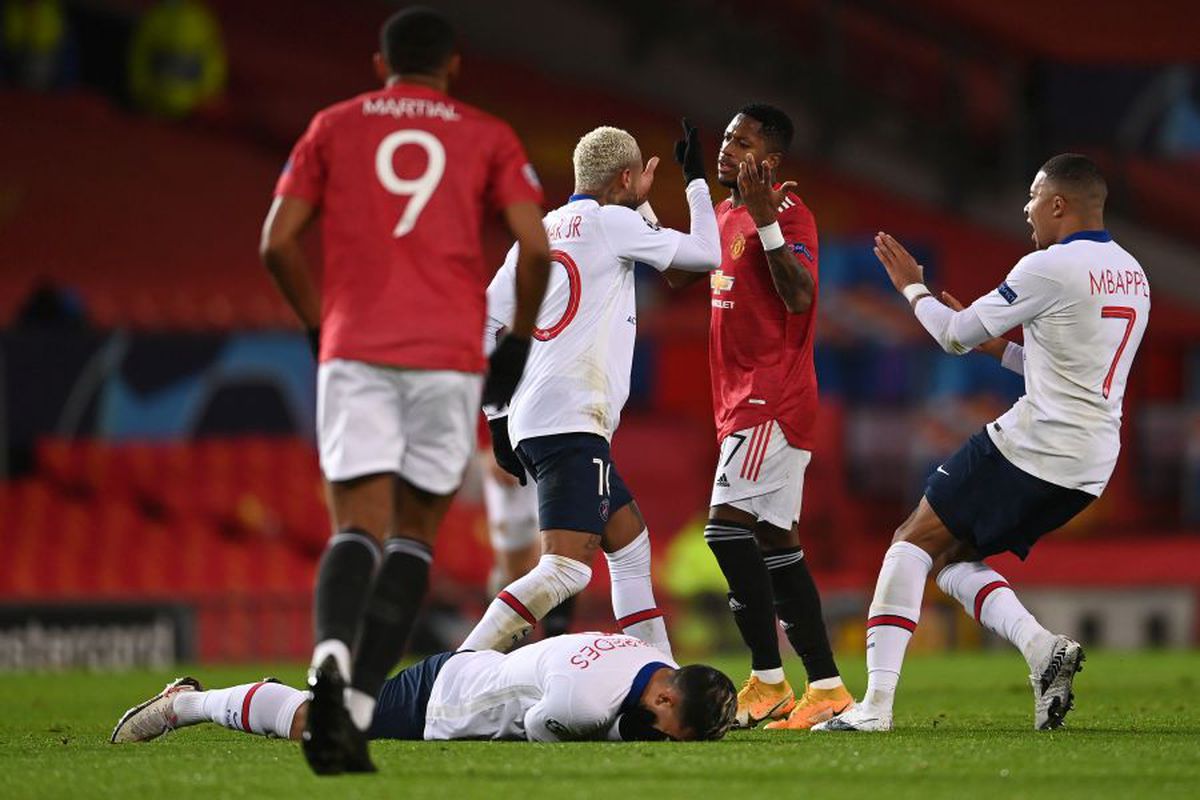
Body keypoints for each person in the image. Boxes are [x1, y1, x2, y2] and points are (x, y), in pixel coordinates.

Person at [258, 7, 550, 774]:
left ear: (380, 64)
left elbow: (277, 242)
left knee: (354, 527)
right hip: (448, 358)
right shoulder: (487, 133)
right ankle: (350, 715)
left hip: (355, 347)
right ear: (454, 65)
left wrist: (319, 328)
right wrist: (514, 347)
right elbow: (534, 245)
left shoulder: (331, 126)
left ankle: (328, 665)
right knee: (413, 537)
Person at [814, 153, 1150, 733]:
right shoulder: (1134, 274)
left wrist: (911, 289)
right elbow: (1064, 371)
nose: (1025, 209)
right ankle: (1043, 652)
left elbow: (951, 337)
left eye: (1033, 197)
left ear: (1059, 205)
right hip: (1091, 464)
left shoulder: (1048, 267)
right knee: (950, 557)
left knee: (910, 541)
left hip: (1036, 444)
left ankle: (874, 709)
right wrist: (1000, 350)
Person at [459, 122, 722, 656]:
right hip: (573, 416)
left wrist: (496, 418)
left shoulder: (536, 233)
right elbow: (704, 256)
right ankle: (457, 667)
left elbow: (483, 325)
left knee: (629, 545)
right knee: (564, 570)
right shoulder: (611, 223)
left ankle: (656, 668)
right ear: (627, 177)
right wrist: (694, 180)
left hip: (534, 415)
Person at [666, 105, 851, 730]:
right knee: (777, 546)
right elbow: (675, 276)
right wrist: (678, 191)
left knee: (724, 530)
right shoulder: (721, 215)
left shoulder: (791, 213)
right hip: (743, 402)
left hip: (769, 398)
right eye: (723, 138)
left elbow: (800, 296)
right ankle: (825, 686)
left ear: (769, 160)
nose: (724, 148)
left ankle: (768, 678)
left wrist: (769, 222)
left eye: (740, 142)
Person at [110, 634, 737, 745]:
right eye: (670, 734)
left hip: (470, 671)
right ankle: (184, 705)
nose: (663, 741)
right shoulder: (584, 703)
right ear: (662, 699)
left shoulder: (654, 660)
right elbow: (547, 732)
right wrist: (619, 738)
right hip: (443, 700)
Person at [477, 434, 576, 637]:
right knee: (515, 572)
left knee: (564, 553)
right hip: (513, 447)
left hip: (566, 444)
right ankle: (493, 650)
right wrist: (492, 443)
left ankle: (555, 644)